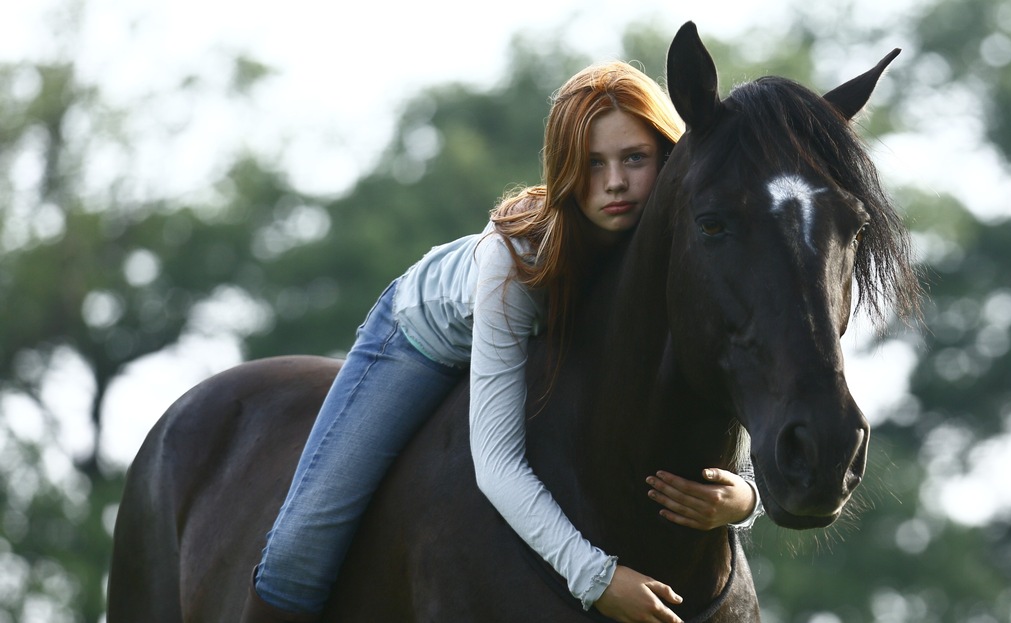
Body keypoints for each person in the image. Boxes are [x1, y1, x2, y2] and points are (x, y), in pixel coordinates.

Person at [241, 59, 763, 623]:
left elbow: (725, 364)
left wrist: (746, 498)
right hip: (422, 338)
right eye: (591, 164)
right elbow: (494, 463)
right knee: (301, 543)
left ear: (667, 156)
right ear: (565, 169)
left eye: (634, 158)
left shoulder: (685, 244)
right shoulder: (517, 260)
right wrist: (597, 579)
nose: (614, 183)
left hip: (537, 346)